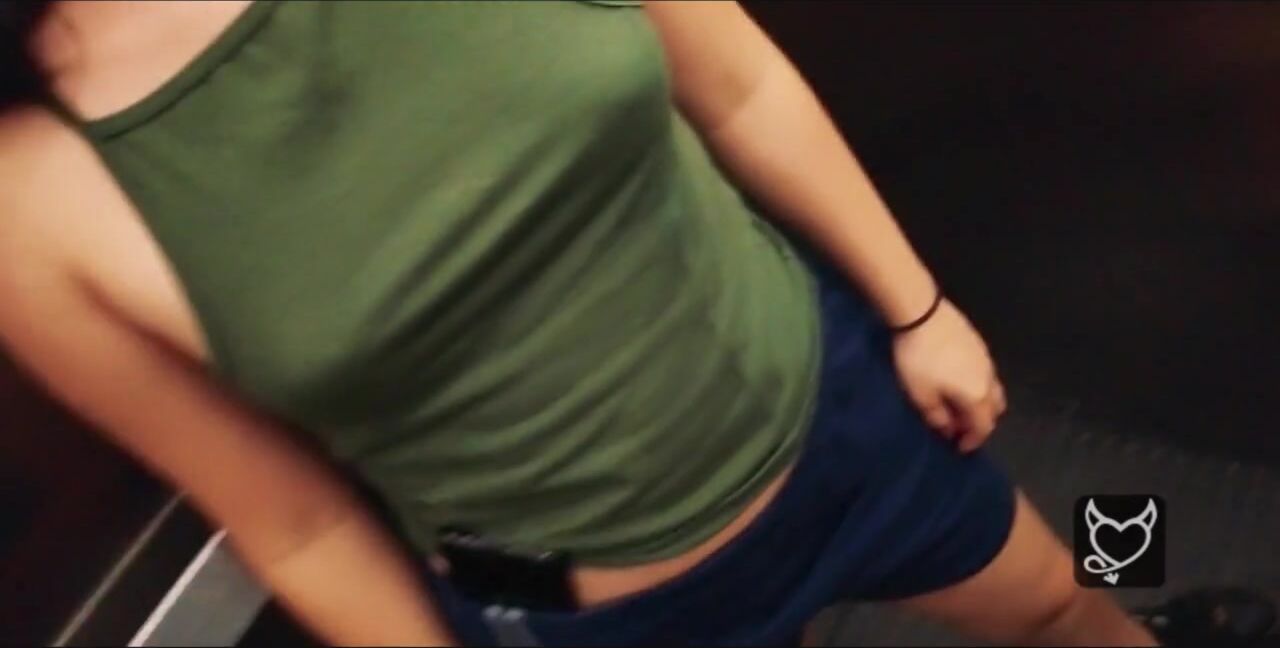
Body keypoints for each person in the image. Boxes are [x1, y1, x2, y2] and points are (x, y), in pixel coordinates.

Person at [0, 1, 1271, 646]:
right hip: (597, 612)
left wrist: (918, 305)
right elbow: (295, 521)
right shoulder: (31, 197)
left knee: (1064, 599)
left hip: (834, 397)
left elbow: (738, 82)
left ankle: (1148, 617)